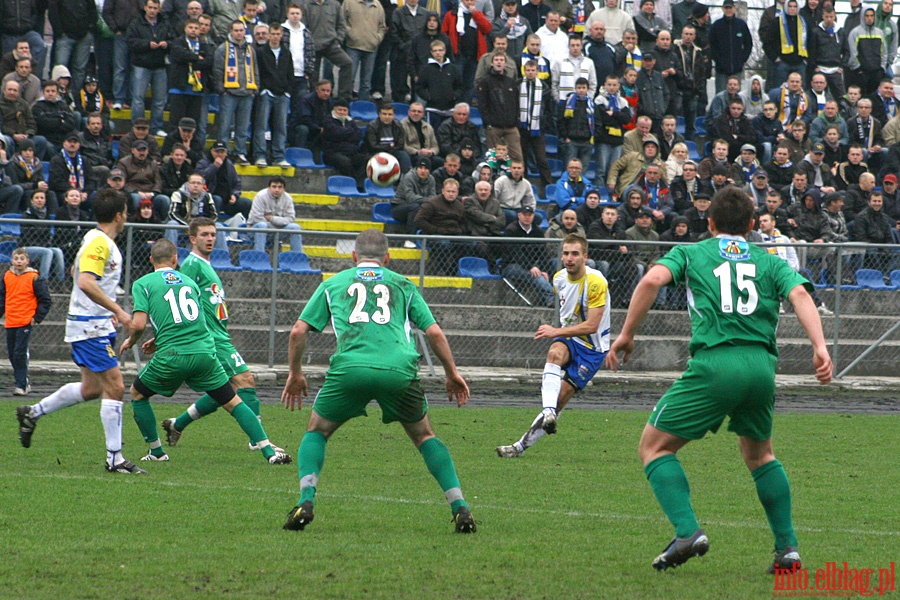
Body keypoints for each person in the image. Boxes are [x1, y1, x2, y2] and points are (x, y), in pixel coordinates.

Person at [606, 186, 833, 573]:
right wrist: (820, 347)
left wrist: (626, 334)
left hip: (716, 363)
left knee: (654, 448)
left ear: (709, 223)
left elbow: (649, 282)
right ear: (750, 224)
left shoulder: (692, 253)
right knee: (761, 455)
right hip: (762, 367)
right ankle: (788, 549)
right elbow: (800, 295)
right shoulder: (769, 260)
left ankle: (687, 531)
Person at [280, 228, 475, 532]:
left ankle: (306, 500)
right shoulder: (403, 284)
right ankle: (460, 507)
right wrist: (452, 374)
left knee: (317, 430)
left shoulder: (333, 284)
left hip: (351, 370)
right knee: (424, 436)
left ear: (354, 256)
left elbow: (297, 331)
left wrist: (295, 373)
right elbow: (434, 332)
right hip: (398, 371)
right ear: (387, 257)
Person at [118, 238, 292, 465]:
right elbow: (190, 321)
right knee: (233, 401)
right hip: (204, 352)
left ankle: (157, 452)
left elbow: (139, 324)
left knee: (138, 394)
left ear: (150, 260)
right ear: (175, 259)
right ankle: (269, 452)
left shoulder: (143, 283)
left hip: (173, 355)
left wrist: (132, 340)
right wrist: (159, 340)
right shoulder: (189, 282)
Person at [15, 189, 146, 473]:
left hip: (92, 323)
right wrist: (119, 311)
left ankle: (32, 413)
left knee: (91, 389)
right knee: (115, 387)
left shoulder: (95, 239)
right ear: (119, 215)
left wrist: (104, 310)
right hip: (90, 327)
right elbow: (85, 281)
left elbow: (76, 271)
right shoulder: (100, 243)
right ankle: (115, 458)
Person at [496, 233, 610, 457]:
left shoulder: (596, 282)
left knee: (560, 399)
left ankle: (520, 446)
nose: (569, 258)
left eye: (575, 254)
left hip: (592, 350)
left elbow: (592, 325)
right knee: (555, 353)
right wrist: (559, 334)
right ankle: (547, 413)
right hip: (571, 339)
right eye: (566, 253)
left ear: (585, 257)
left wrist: (556, 330)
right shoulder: (558, 279)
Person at [0, 247, 51, 396]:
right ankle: (23, 381)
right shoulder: (7, 276)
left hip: (25, 321)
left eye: (22, 259)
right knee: (12, 354)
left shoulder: (34, 278)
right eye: (16, 259)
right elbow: (2, 299)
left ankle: (21, 384)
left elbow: (45, 300)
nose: (19, 262)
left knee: (19, 353)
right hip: (11, 321)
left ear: (27, 261)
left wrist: (36, 318)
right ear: (12, 260)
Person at [127, 0, 175, 137]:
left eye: (155, 8)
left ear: (159, 9)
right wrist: (147, 44)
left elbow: (173, 40)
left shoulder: (165, 22)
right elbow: (131, 41)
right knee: (138, 99)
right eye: (150, 7)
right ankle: (137, 127)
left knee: (160, 100)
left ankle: (156, 127)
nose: (152, 10)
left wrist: (167, 44)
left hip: (160, 65)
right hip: (141, 65)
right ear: (145, 8)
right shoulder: (136, 23)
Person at [247, 176, 303, 254]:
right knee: (262, 225)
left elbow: (291, 218)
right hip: (255, 230)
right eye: (274, 187)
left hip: (277, 230)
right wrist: (277, 225)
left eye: (280, 187)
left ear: (284, 189)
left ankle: (298, 259)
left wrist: (272, 219)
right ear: (269, 187)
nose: (277, 190)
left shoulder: (288, 198)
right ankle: (260, 258)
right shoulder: (260, 196)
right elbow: (257, 218)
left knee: (295, 227)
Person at [21, 190, 66, 283]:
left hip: (43, 246)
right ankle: (42, 281)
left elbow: (47, 235)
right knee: (48, 252)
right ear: (32, 201)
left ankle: (60, 282)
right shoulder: (26, 215)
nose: (39, 200)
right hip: (27, 247)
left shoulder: (47, 216)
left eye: (42, 198)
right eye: (36, 198)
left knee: (58, 251)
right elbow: (27, 236)